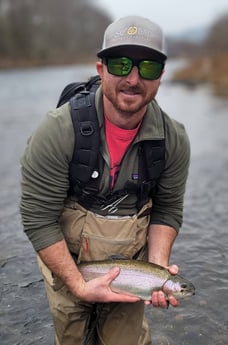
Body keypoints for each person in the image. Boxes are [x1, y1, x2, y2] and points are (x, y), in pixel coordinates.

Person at [20, 15, 190, 345]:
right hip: (66, 260)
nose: (134, 78)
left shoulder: (173, 140)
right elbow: (38, 219)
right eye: (121, 64)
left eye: (149, 67)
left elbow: (167, 211)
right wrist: (77, 283)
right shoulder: (57, 132)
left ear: (161, 77)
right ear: (101, 69)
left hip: (131, 269)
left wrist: (156, 272)